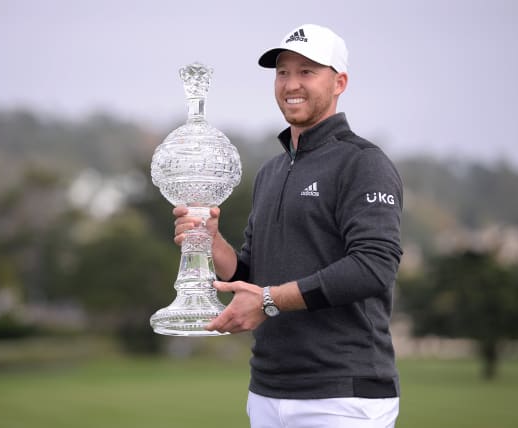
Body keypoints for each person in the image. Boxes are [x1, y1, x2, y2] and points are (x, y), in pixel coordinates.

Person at [173, 23, 403, 428]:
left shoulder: (363, 163)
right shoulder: (271, 171)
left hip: (343, 397)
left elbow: (374, 266)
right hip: (267, 391)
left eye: (307, 71)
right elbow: (251, 275)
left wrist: (269, 300)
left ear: (339, 82)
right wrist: (211, 243)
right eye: (282, 72)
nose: (291, 84)